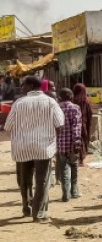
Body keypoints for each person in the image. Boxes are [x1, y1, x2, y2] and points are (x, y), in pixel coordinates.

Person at [3, 75, 64, 222]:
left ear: (30, 86)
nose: (22, 88)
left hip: (22, 147)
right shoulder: (51, 102)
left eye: (23, 85)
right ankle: (39, 214)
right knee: (42, 181)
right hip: (44, 148)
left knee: (25, 181)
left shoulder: (19, 103)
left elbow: (7, 126)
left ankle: (27, 208)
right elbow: (60, 124)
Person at [55, 88, 83, 201]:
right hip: (72, 144)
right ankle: (74, 191)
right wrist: (77, 142)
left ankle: (65, 194)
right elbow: (76, 127)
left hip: (60, 144)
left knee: (64, 169)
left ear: (60, 97)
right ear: (71, 96)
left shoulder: (56, 108)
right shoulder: (75, 108)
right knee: (74, 166)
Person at [72, 84, 95, 165]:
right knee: (82, 140)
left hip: (73, 124)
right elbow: (90, 113)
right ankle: (81, 159)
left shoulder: (72, 100)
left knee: (75, 141)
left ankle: (76, 158)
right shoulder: (86, 101)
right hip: (83, 124)